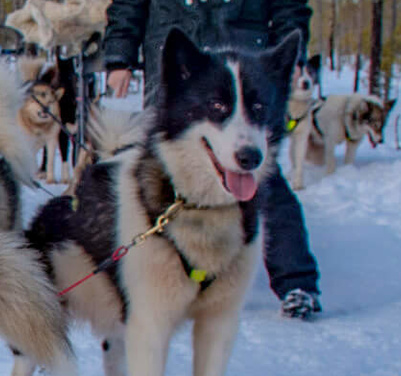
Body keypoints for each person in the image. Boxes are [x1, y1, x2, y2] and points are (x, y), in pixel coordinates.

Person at [101, 0, 325, 321]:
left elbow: (288, 6)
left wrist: (293, 58)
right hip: (179, 60)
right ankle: (143, 276)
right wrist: (119, 56)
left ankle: (296, 283)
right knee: (161, 182)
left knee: (264, 184)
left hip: (243, 58)